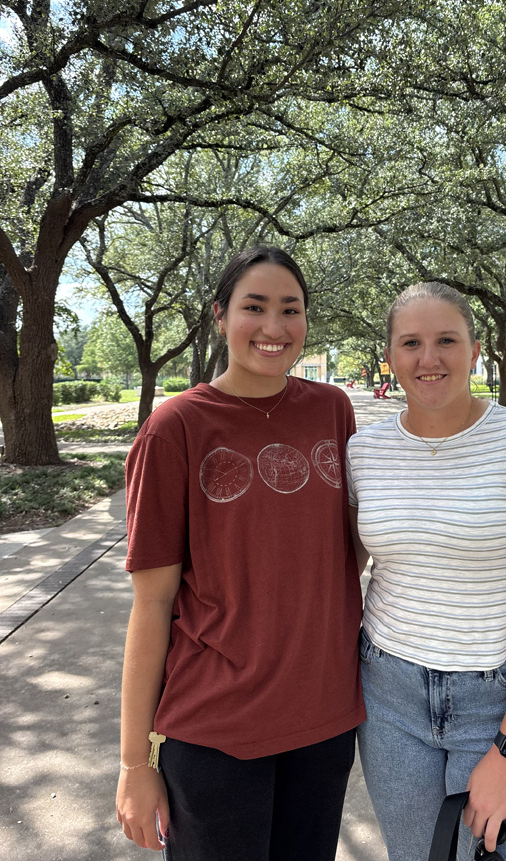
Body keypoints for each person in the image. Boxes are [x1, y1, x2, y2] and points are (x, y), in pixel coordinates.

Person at [116, 245, 365, 861]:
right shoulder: (176, 429)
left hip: (324, 722)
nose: (275, 327)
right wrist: (132, 764)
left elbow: (348, 552)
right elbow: (151, 605)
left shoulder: (332, 411)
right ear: (220, 317)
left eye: (292, 309)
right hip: (216, 733)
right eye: (255, 307)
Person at [346, 282, 506, 861]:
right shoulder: (363, 451)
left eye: (446, 340)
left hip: (499, 700)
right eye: (411, 343)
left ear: (475, 351)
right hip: (389, 701)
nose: (429, 359)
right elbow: (335, 575)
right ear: (391, 356)